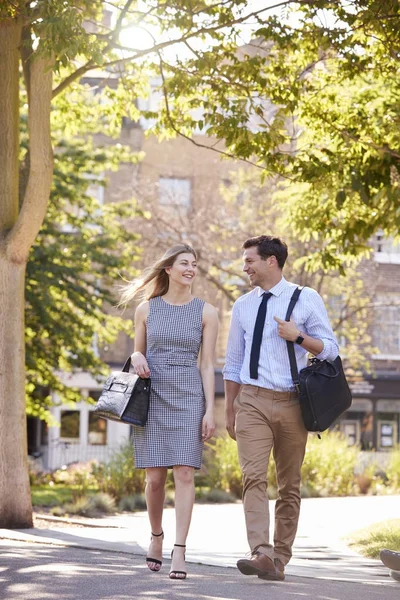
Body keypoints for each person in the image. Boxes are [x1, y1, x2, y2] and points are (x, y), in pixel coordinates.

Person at [223, 235, 339, 581]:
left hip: (292, 402)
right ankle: (260, 551)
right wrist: (230, 408)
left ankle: (279, 559)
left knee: (289, 484)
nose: (245, 267)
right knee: (253, 477)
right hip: (253, 400)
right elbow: (232, 362)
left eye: (250, 261)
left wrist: (299, 337)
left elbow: (330, 349)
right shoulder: (242, 305)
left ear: (271, 261)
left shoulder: (306, 299)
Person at [120, 244, 218, 580]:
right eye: (184, 263)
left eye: (194, 264)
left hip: (190, 395)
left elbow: (207, 365)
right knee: (155, 478)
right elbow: (137, 352)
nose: (191, 269)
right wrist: (135, 357)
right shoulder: (146, 309)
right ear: (168, 269)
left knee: (185, 473)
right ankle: (156, 536)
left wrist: (209, 410)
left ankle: (180, 550)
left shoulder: (208, 312)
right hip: (153, 394)